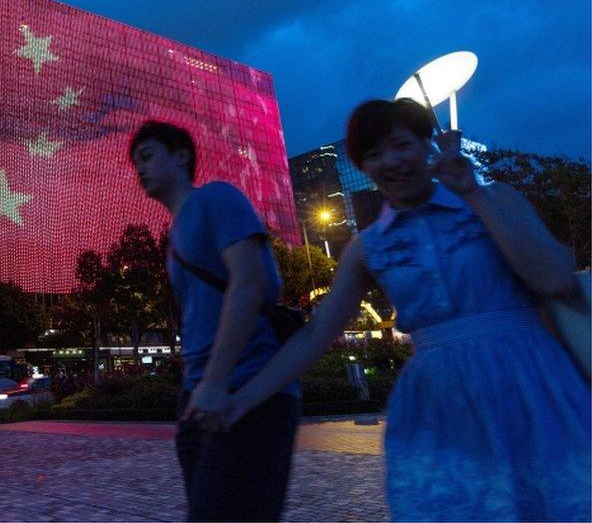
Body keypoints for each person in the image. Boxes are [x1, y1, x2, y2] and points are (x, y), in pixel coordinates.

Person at [217, 98, 591, 521]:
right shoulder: (368, 247)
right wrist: (241, 398)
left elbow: (555, 279)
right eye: (373, 154)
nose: (390, 161)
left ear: (427, 145)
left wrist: (471, 192)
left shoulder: (493, 199)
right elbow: (317, 334)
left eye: (401, 145)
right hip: (439, 406)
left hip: (532, 384)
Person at [129, 120, 298, 522]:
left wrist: (216, 380)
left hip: (249, 387)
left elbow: (252, 280)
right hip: (199, 395)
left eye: (148, 156)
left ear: (181, 157)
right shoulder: (172, 240)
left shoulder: (216, 199)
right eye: (136, 163)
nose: (140, 170)